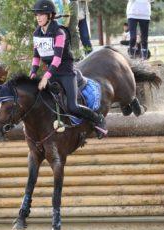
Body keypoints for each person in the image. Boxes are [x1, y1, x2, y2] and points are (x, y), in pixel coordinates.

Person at [30, 0, 107, 138]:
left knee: (72, 106)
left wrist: (46, 77)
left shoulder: (59, 33)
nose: (38, 17)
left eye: (41, 14)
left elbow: (57, 59)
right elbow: (36, 56)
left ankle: (97, 119)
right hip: (51, 72)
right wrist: (33, 72)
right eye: (37, 15)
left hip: (66, 72)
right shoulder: (37, 33)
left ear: (50, 16)